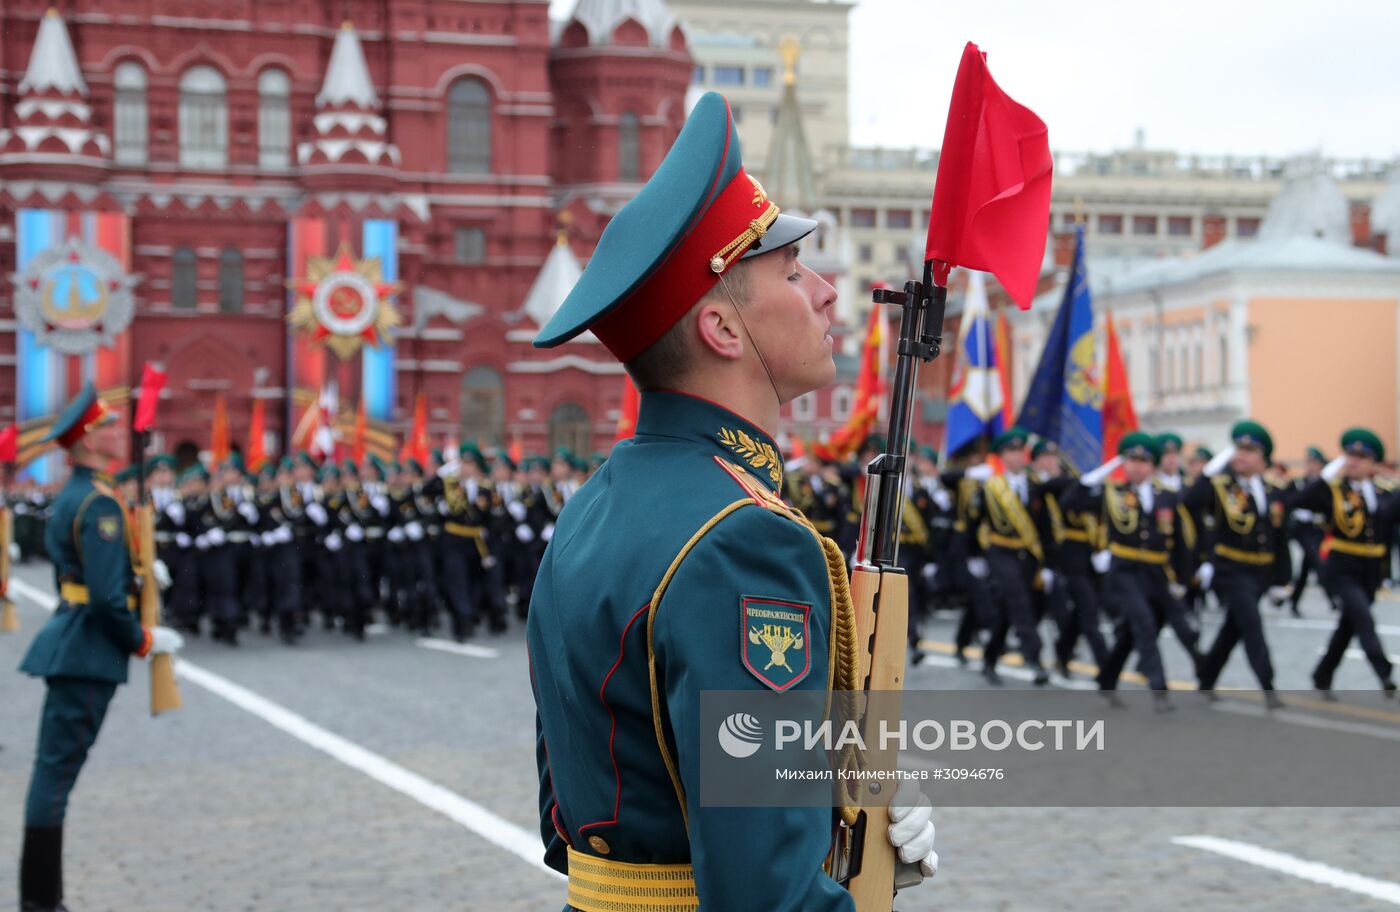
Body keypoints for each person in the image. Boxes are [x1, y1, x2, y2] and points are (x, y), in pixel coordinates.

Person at [526, 93, 937, 911]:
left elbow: (577, 802)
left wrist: (831, 811)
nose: (824, 293)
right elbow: (765, 895)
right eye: (791, 272)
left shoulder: (594, 507)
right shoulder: (744, 539)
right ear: (720, 329)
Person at [17, 383, 185, 912]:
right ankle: (41, 902)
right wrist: (143, 639)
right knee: (55, 776)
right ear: (88, 441)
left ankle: (42, 899)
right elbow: (107, 600)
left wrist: (138, 578)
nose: (119, 432)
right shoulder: (99, 504)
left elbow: (81, 578)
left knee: (54, 772)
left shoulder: (82, 494)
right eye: (108, 426)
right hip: (88, 650)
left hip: (76, 640)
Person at [1064, 432, 1199, 712]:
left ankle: (1106, 679)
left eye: (1144, 461)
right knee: (1144, 625)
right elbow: (1070, 502)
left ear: (1153, 465)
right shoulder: (1111, 493)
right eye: (1131, 460)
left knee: (1173, 626)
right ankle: (1159, 689)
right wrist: (1095, 476)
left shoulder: (1168, 497)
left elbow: (1183, 543)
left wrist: (1183, 579)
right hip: (1124, 572)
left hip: (1157, 572)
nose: (1137, 467)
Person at [1185, 421, 1290, 708]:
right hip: (1230, 570)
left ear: (1262, 458)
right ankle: (1269, 687)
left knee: (1233, 629)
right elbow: (1190, 501)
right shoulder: (1220, 486)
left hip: (1261, 572)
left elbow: (1280, 539)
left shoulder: (1273, 490)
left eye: (1249, 451)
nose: (1241, 456)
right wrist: (1209, 471)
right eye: (1237, 449)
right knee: (1252, 624)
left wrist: (1282, 581)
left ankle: (1206, 679)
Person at [1295, 429, 1399, 698]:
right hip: (1341, 569)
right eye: (1350, 456)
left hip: (1372, 571)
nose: (1354, 462)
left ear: (1373, 464)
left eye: (1361, 457)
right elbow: (1300, 500)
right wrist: (1328, 474)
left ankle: (1322, 675)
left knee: (1348, 626)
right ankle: (1384, 672)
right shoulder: (1332, 491)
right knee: (1363, 618)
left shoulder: (1384, 492)